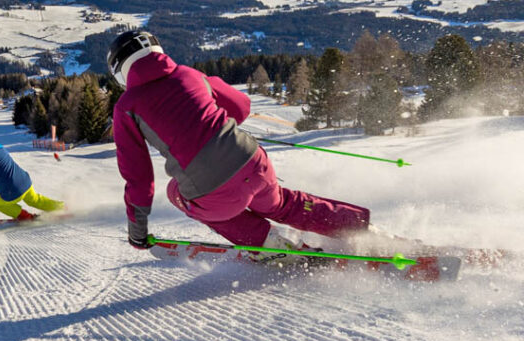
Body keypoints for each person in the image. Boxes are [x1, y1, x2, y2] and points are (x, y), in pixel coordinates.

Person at [107, 29, 369, 252]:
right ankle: (361, 229)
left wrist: (137, 231)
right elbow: (241, 107)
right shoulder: (190, 74)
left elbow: (139, 178)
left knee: (176, 192)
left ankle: (269, 244)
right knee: (282, 204)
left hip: (209, 190)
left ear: (121, 69)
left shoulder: (127, 106)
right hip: (253, 162)